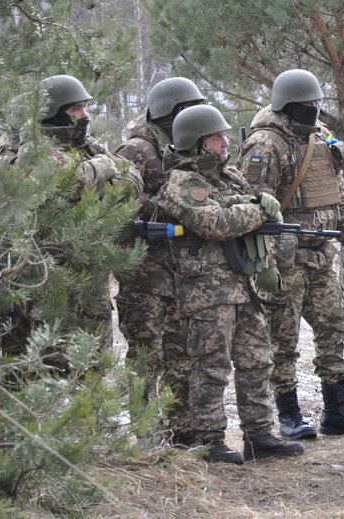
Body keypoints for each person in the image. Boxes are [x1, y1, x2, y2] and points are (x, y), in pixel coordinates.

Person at [157, 104, 305, 463]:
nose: (225, 142)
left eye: (224, 136)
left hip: (240, 286)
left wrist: (256, 207)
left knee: (257, 360)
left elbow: (242, 202)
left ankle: (259, 435)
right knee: (212, 366)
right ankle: (208, 439)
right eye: (217, 137)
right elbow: (215, 223)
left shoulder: (229, 177)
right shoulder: (182, 181)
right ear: (196, 143)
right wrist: (258, 211)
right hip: (205, 290)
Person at [237, 69, 344, 440]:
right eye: (306, 104)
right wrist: (263, 264)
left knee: (334, 329)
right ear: (287, 105)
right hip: (284, 260)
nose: (314, 109)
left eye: (318, 103)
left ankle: (336, 411)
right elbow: (252, 210)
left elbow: (338, 193)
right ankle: (288, 414)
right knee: (281, 339)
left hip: (320, 255)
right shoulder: (265, 145)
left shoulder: (321, 139)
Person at [0, 74, 142, 383]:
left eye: (85, 108)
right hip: (37, 276)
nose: (85, 116)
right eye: (77, 109)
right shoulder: (28, 145)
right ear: (55, 112)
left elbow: (133, 183)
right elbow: (62, 184)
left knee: (92, 367)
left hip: (87, 274)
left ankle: (91, 427)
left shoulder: (85, 144)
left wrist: (95, 175)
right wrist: (102, 170)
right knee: (27, 367)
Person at [114, 77, 206, 445]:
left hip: (181, 268)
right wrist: (173, 206)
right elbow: (121, 207)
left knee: (181, 352)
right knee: (144, 355)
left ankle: (181, 430)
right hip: (144, 271)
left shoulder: (181, 144)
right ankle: (145, 432)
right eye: (189, 109)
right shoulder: (137, 150)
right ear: (173, 112)